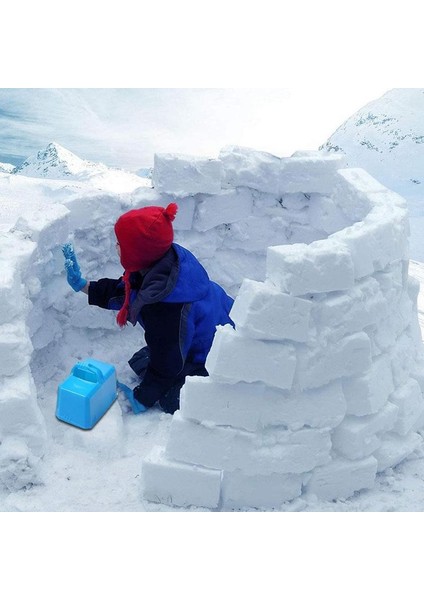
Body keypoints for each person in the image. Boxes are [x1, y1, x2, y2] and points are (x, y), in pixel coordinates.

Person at [62, 202, 235, 414]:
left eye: (121, 244)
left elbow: (167, 361)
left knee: (172, 399)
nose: (117, 247)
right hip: (202, 331)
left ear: (138, 253)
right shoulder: (165, 263)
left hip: (216, 353)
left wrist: (142, 398)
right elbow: (128, 292)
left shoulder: (168, 307)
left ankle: (208, 382)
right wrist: (84, 286)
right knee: (142, 361)